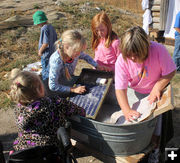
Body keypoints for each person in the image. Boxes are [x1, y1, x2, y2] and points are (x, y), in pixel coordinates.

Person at [115, 26, 176, 163]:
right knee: (134, 122)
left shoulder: (158, 50)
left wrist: (158, 86)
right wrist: (126, 109)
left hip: (154, 92)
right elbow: (120, 89)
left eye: (136, 54)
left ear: (146, 48)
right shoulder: (122, 60)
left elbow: (170, 71)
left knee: (156, 124)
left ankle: (155, 151)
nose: (132, 57)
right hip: (135, 91)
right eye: (129, 54)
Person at [9, 70, 85, 152]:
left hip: (24, 152)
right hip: (51, 151)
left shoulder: (18, 109)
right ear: (40, 89)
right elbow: (79, 111)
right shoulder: (55, 102)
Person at [48, 29, 108, 96]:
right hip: (59, 89)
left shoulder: (74, 53)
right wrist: (73, 89)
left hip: (69, 81)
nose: (79, 54)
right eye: (76, 51)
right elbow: (53, 86)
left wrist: (97, 66)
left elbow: (85, 56)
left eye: (80, 51)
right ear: (66, 47)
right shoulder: (56, 61)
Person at [33, 10, 57, 86]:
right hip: (53, 52)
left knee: (45, 72)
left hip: (46, 54)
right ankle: (51, 83)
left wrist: (40, 51)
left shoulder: (44, 28)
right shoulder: (51, 26)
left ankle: (45, 86)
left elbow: (45, 43)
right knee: (51, 69)